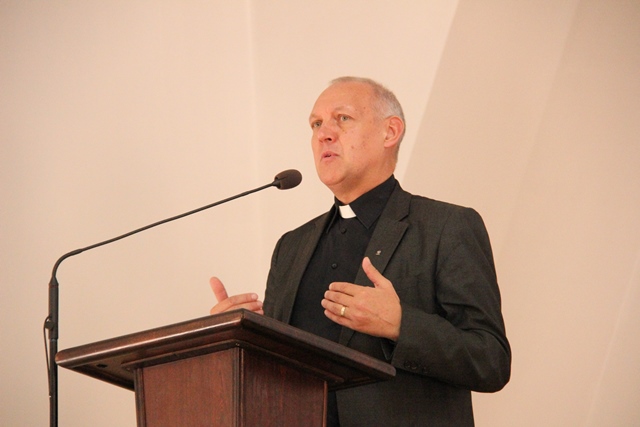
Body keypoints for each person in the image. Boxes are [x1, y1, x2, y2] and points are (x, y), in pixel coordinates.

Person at [209, 76, 511, 426]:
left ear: (390, 132)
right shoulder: (291, 246)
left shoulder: (446, 227)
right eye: (316, 124)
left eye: (343, 118)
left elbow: (490, 360)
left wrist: (401, 325)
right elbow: (277, 373)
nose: (324, 134)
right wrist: (239, 339)